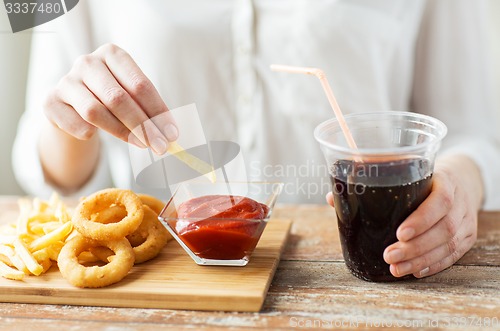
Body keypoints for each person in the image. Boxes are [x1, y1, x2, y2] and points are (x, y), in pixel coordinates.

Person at [13, 0, 500, 280]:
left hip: (361, 269)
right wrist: (69, 121)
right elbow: (44, 165)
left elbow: (478, 136)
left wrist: (462, 185)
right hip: (166, 275)